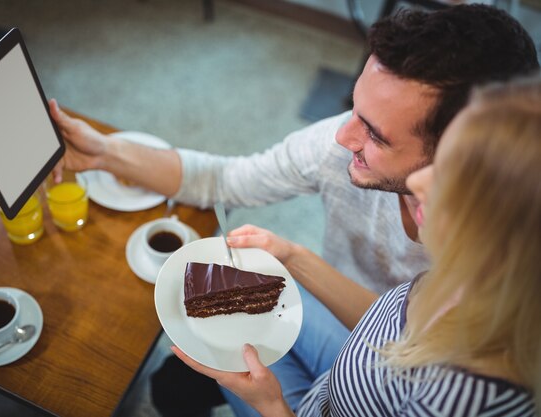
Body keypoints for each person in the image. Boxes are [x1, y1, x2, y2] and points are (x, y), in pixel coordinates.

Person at [48, 5, 539, 416]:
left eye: (376, 134)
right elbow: (225, 178)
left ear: (464, 155)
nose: (342, 136)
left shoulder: (469, 383)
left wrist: (272, 405)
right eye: (355, 111)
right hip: (361, 354)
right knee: (199, 337)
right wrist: (104, 153)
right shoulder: (454, 282)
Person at [173, 74, 541, 416]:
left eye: (452, 174)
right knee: (248, 281)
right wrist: (293, 255)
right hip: (345, 376)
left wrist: (269, 403)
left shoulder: (462, 400)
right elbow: (391, 326)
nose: (421, 182)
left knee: (202, 348)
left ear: (509, 237)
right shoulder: (468, 280)